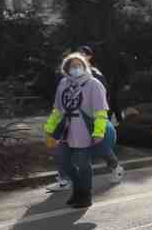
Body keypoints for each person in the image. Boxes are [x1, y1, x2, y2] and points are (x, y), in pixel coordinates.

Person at [43, 53, 111, 208]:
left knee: (82, 163)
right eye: (71, 66)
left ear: (84, 66)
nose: (75, 68)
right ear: (66, 68)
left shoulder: (94, 84)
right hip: (66, 130)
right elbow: (57, 110)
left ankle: (85, 195)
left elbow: (100, 112)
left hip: (84, 130)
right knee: (64, 162)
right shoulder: (63, 84)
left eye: (78, 65)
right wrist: (50, 128)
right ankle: (77, 190)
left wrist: (99, 132)